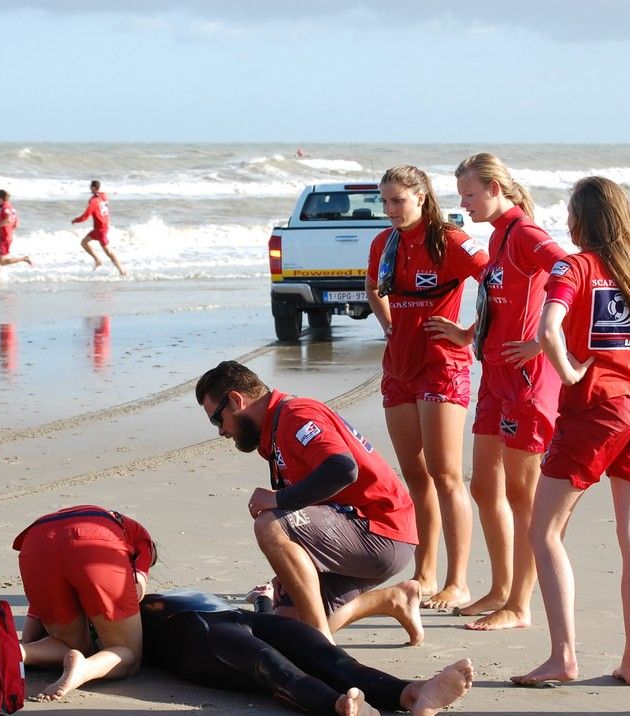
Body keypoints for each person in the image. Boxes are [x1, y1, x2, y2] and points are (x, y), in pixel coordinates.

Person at [511, 176, 630, 689]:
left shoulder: (576, 265)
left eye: (570, 212)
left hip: (595, 410)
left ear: (581, 218)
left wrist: (567, 374)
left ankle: (563, 656)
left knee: (543, 531)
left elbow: (547, 328)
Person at [426, 154, 568, 629]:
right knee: (486, 487)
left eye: (469, 194)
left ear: (494, 187)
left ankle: (520, 606)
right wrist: (469, 334)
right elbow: (501, 302)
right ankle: (501, 588)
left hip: (527, 379)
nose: (463, 204)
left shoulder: (525, 232)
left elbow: (571, 272)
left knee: (523, 494)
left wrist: (545, 339)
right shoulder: (498, 235)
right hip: (494, 376)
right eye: (461, 196)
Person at [194, 360, 424, 646]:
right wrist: (286, 569)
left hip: (381, 530)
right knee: (289, 632)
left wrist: (277, 498)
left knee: (269, 521)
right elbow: (307, 510)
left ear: (236, 400)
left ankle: (323, 644)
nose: (221, 432)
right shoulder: (274, 430)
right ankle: (393, 599)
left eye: (218, 419)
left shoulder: (296, 414)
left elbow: (342, 468)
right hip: (355, 533)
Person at [365, 165, 489, 609]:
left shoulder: (451, 240)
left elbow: (499, 281)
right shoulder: (385, 242)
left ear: (421, 197)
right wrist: (389, 326)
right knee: (415, 475)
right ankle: (425, 573)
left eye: (398, 200)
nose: (390, 210)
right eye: (384, 201)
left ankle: (459, 581)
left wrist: (468, 333)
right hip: (399, 367)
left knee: (447, 474)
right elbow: (373, 286)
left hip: (442, 366)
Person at [140, 590, 475, 716]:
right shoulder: (119, 618)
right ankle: (340, 705)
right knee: (273, 667)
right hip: (195, 635)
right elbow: (119, 649)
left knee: (326, 654)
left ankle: (412, 693)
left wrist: (262, 602)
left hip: (244, 617)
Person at [12, 505, 156, 699]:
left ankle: (17, 652)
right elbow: (137, 588)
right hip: (96, 540)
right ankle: (85, 669)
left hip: (37, 542)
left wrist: (29, 642)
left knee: (70, 644)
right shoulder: (143, 540)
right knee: (127, 652)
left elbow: (31, 630)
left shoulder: (116, 521)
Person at [72, 180, 125, 276]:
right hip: (99, 228)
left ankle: (121, 270)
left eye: (90, 187)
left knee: (108, 251)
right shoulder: (103, 196)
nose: (89, 189)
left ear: (93, 188)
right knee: (84, 242)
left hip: (101, 230)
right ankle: (98, 260)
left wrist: (76, 220)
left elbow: (85, 216)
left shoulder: (94, 201)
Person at [0, 189, 32, 267]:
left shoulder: (4, 208)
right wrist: (8, 229)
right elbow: (16, 224)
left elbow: (8, 220)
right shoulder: (11, 208)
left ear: (0, 198)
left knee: (1, 261)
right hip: (7, 236)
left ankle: (24, 259)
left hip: (5, 238)